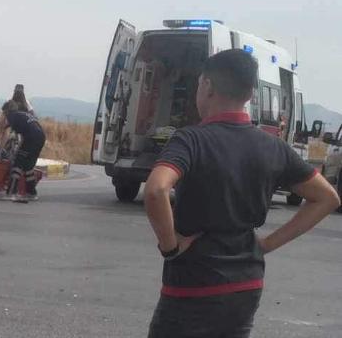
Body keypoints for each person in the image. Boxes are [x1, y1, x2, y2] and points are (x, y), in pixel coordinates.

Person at [145, 49, 339, 338]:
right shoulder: (274, 147)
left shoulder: (191, 139)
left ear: (207, 87)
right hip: (246, 286)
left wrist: (170, 246)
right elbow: (327, 198)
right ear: (250, 94)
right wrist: (267, 244)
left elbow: (157, 189)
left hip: (192, 284)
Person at [0, 87, 46, 201]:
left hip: (32, 138)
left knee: (17, 164)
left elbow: (7, 133)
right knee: (28, 166)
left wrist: (0, 150)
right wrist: (21, 147)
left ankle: (11, 192)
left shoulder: (13, 116)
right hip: (40, 137)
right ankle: (31, 192)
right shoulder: (23, 115)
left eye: (4, 112)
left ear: (7, 111)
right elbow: (26, 133)